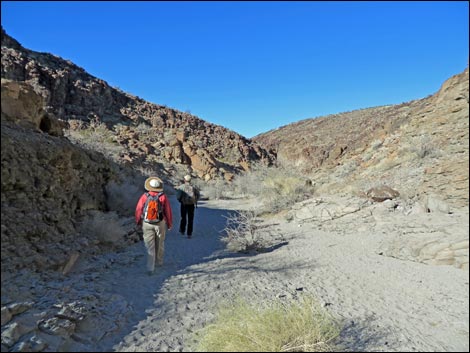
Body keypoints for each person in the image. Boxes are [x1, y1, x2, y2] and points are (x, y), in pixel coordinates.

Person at [135, 176, 173, 274]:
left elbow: (139, 210)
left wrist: (138, 221)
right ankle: (159, 262)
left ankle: (150, 267)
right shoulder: (163, 196)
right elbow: (167, 211)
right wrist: (169, 223)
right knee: (160, 243)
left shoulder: (144, 196)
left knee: (149, 245)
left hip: (147, 223)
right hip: (160, 223)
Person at [176, 175, 200, 239]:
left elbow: (178, 196)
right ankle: (189, 233)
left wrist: (180, 200)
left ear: (184, 180)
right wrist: (195, 201)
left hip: (183, 204)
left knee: (183, 217)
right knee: (190, 219)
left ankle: (182, 230)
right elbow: (198, 195)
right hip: (191, 204)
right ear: (190, 180)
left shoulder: (181, 187)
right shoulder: (194, 187)